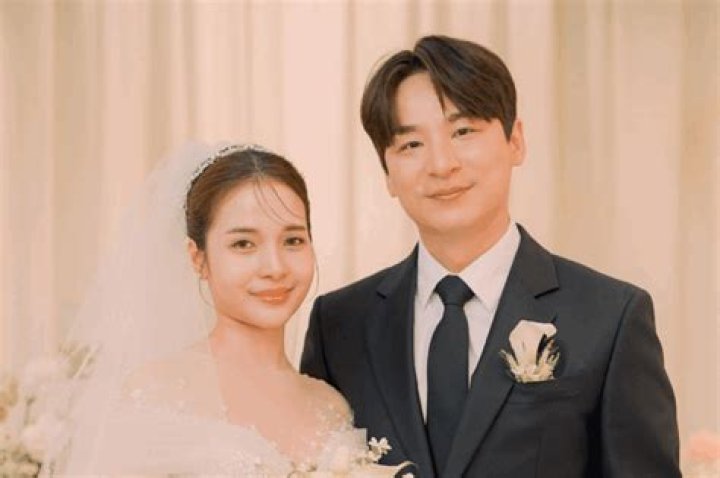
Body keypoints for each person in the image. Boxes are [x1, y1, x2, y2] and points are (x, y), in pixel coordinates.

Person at [301, 35, 680, 477]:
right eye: (411, 145)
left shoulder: (609, 317)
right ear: (387, 171)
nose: (441, 164)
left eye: (462, 132)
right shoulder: (340, 326)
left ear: (515, 140)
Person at [43, 144, 401, 476]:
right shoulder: (154, 392)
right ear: (198, 258)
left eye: (293, 240)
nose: (275, 267)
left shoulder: (331, 406)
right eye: (243, 244)